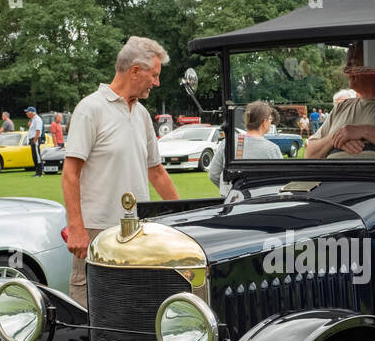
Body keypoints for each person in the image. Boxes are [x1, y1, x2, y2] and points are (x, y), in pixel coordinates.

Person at [62, 36, 180, 307]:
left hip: (138, 230)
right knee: (89, 306)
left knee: (134, 302)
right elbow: (70, 174)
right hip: (96, 231)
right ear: (135, 71)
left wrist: (183, 216)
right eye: (154, 75)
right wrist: (76, 227)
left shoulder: (141, 114)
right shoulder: (90, 109)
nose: (157, 82)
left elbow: (157, 172)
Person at [305, 40, 375, 160]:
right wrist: (337, 138)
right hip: (332, 177)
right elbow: (309, 154)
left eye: (352, 64)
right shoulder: (342, 107)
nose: (346, 70)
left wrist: (364, 131)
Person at [207, 100, 283, 196]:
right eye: (270, 119)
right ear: (264, 122)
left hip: (230, 204)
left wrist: (230, 191)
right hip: (261, 203)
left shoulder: (228, 142)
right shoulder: (272, 149)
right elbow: (279, 181)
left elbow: (213, 174)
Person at [25, 106, 44, 176]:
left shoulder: (37, 119)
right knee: (34, 156)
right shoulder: (33, 119)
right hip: (33, 139)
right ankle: (37, 172)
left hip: (35, 139)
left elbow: (38, 131)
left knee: (37, 156)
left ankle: (39, 172)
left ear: (31, 113)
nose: (26, 113)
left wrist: (34, 140)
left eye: (27, 112)